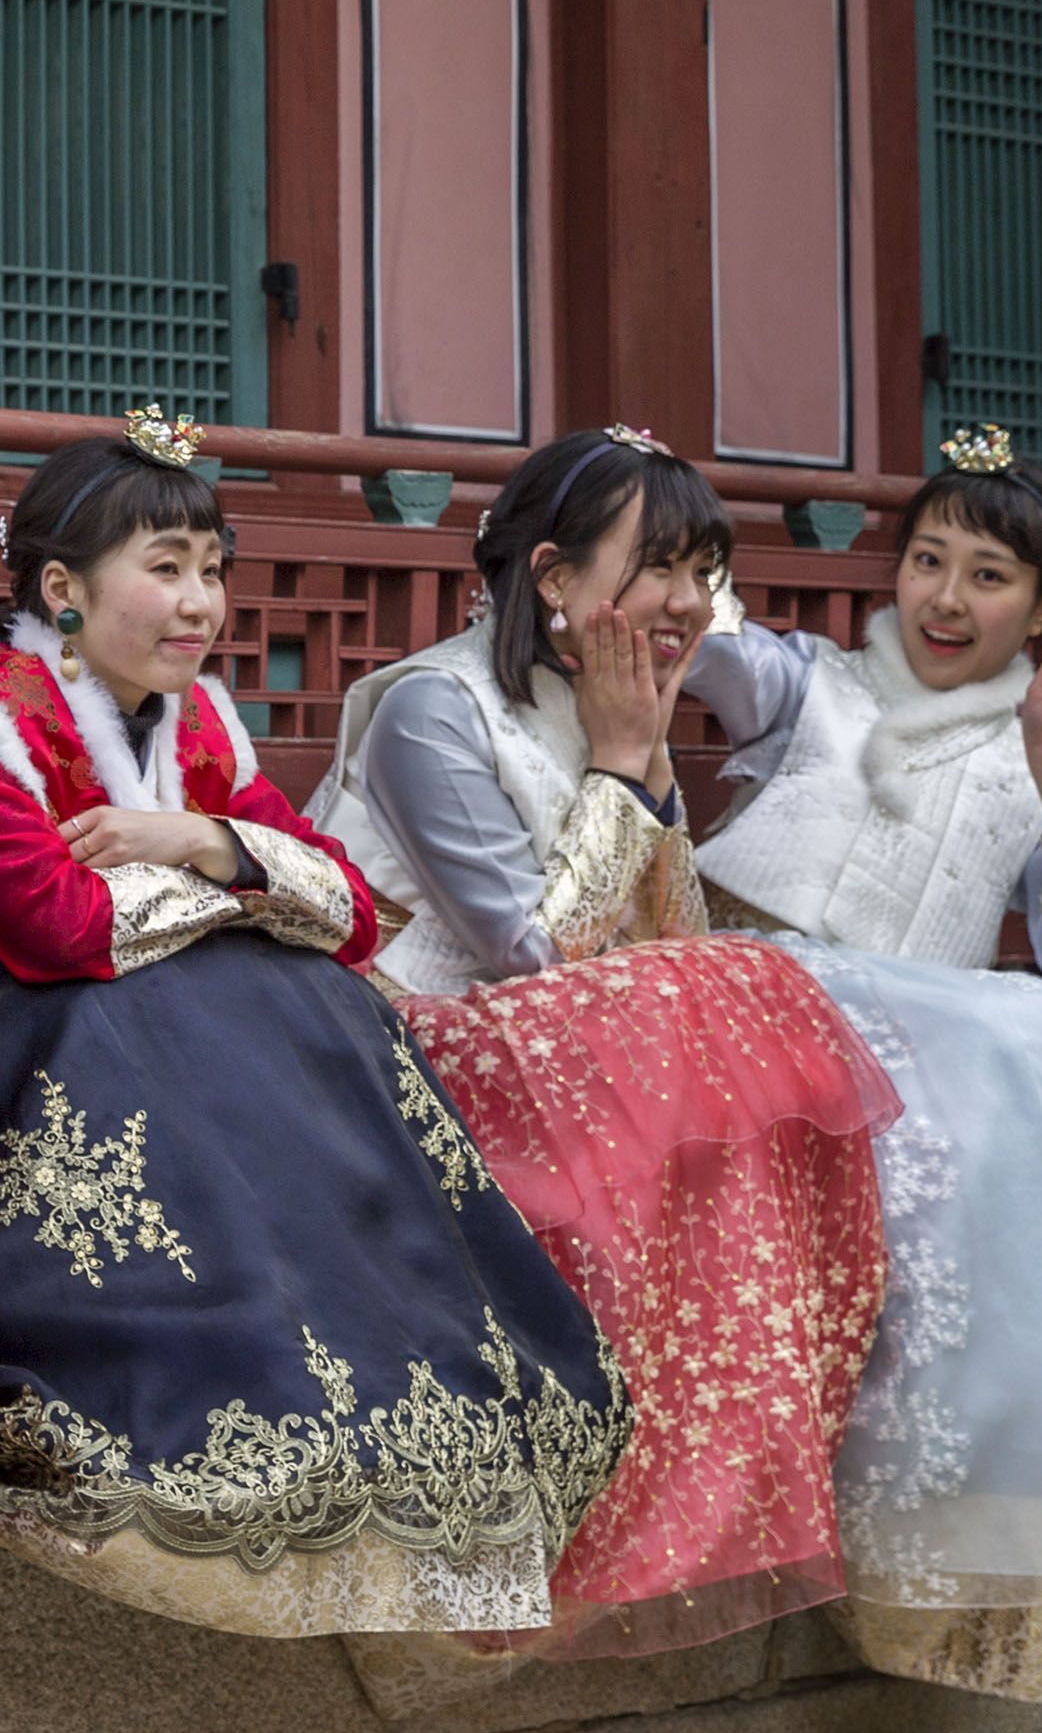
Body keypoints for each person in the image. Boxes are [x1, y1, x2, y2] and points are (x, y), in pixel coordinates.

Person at [0, 408, 630, 1640]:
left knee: (309, 1002)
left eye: (212, 567)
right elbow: (52, 928)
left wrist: (201, 838)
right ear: (61, 586)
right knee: (234, 997)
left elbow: (352, 915)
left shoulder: (195, 723)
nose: (199, 601)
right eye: (164, 567)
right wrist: (244, 889)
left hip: (142, 1033)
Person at [312, 425, 902, 1657]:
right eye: (658, 568)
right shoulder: (431, 709)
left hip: (562, 1042)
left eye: (703, 571)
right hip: (406, 1035)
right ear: (551, 577)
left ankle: (718, 1468)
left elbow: (667, 933)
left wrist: (635, 762)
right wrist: (627, 767)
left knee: (738, 988)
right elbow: (531, 953)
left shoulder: (615, 694)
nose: (689, 604)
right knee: (703, 1000)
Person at [682, 423, 1042, 1704]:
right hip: (759, 991)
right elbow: (691, 633)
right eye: (927, 560)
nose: (944, 597)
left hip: (921, 1037)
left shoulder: (1038, 754)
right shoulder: (809, 681)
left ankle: (992, 1543)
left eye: (986, 575)